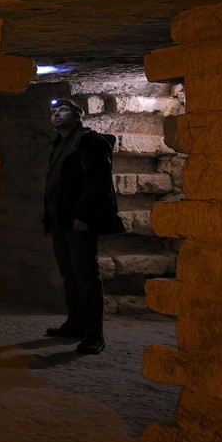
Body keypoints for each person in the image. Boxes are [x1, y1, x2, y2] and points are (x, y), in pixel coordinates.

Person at [43, 96, 124, 354]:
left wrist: (84, 216)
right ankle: (76, 322)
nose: (56, 114)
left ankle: (94, 335)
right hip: (60, 219)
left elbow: (98, 182)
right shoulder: (60, 144)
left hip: (78, 220)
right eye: (53, 111)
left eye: (63, 110)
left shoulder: (89, 141)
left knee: (86, 276)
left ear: (79, 117)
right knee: (69, 274)